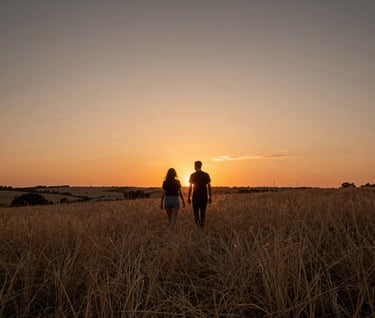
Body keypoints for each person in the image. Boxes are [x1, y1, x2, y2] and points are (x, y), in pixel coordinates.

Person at [188, 161, 211, 228]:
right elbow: (209, 186)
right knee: (203, 213)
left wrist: (189, 197)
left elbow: (190, 187)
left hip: (195, 196)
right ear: (201, 166)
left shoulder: (192, 175)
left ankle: (198, 227)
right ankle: (202, 227)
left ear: (195, 166)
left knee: (196, 213)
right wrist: (210, 196)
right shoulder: (206, 174)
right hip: (204, 197)